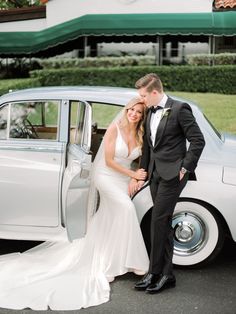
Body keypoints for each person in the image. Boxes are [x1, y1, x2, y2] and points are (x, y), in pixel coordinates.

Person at [0, 97, 149, 310]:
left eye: (138, 112)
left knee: (111, 215)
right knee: (126, 208)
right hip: (106, 176)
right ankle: (130, 262)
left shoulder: (140, 134)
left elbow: (137, 159)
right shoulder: (115, 128)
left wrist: (134, 176)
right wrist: (133, 174)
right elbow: (108, 161)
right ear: (125, 111)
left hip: (123, 177)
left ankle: (111, 259)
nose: (133, 114)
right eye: (131, 110)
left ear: (142, 117)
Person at [132, 73, 205, 294]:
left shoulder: (180, 109)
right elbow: (148, 146)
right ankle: (165, 274)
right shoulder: (150, 112)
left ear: (155, 92)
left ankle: (155, 273)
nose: (142, 101)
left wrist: (185, 167)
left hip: (174, 175)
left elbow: (197, 140)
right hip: (155, 174)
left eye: (144, 96)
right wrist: (142, 174)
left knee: (158, 221)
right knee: (161, 223)